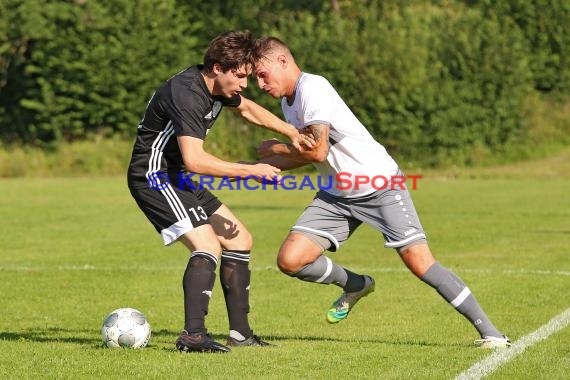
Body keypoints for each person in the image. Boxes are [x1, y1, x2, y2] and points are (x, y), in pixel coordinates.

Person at [251, 36, 511, 349]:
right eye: (255, 79)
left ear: (282, 61)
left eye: (261, 75)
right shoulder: (287, 102)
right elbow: (304, 154)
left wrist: (274, 147)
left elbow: (316, 151)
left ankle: (492, 333)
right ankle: (357, 285)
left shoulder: (313, 89)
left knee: (420, 263)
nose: (259, 84)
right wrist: (251, 167)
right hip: (337, 195)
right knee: (291, 260)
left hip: (379, 185)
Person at [127, 31, 312, 353]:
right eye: (239, 76)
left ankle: (240, 334)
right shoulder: (186, 94)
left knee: (240, 239)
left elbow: (248, 109)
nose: (244, 84)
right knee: (206, 244)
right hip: (154, 177)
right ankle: (192, 336)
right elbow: (195, 160)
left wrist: (291, 132)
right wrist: (252, 170)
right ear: (216, 68)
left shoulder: (217, 87)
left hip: (177, 177)